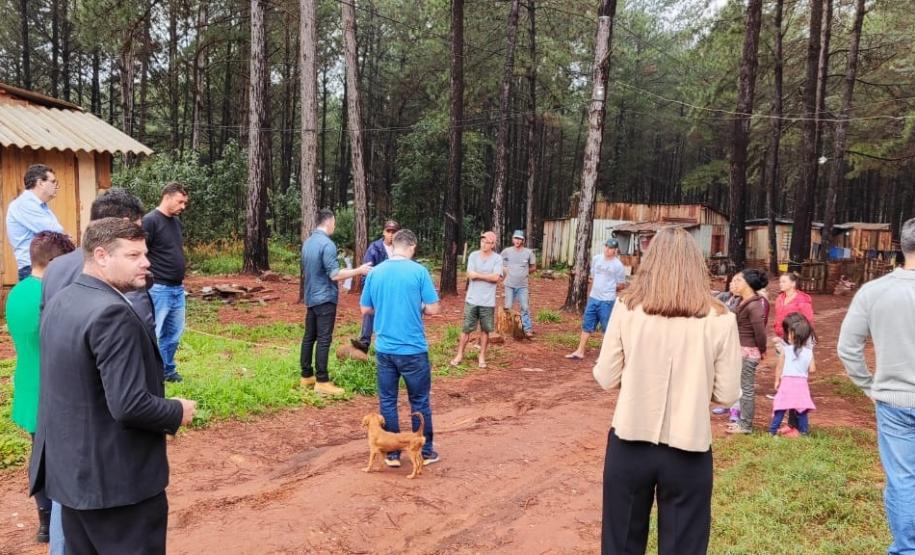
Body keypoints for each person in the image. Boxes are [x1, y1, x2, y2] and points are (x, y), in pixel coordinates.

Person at [29, 218, 197, 554]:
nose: (146, 262)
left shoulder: (61, 301)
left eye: (145, 253)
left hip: (71, 481)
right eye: (134, 255)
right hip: (117, 488)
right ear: (102, 255)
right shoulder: (112, 313)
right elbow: (129, 404)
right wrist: (177, 410)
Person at [593, 226, 741, 554]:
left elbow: (605, 376)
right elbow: (729, 393)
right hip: (689, 447)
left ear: (650, 260)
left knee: (620, 545)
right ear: (696, 264)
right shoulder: (721, 319)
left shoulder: (627, 309)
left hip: (630, 441)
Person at [838, 216, 915, 555]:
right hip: (895, 399)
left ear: (900, 246)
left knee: (902, 480)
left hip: (895, 401)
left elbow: (847, 347)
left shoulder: (874, 291)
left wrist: (869, 385)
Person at [6, 231, 74, 546]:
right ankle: (57, 523)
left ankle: (45, 522)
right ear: (55, 262)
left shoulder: (17, 292)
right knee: (58, 459)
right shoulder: (52, 295)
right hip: (52, 390)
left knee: (39, 455)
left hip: (29, 384)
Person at [360, 229, 441, 467]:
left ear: (393, 246)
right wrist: (420, 308)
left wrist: (384, 308)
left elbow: (365, 309)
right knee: (419, 401)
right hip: (413, 349)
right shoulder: (419, 271)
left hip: (385, 348)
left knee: (388, 401)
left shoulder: (376, 272)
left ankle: (392, 454)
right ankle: (424, 452)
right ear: (412, 247)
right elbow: (434, 308)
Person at [42, 188, 155, 333]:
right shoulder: (122, 271)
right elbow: (142, 327)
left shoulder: (54, 267)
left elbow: (45, 318)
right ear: (125, 224)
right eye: (138, 228)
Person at [300, 209, 372, 395]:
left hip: (311, 297)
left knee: (309, 337)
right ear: (329, 222)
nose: (335, 225)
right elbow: (335, 274)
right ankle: (322, 381)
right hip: (325, 298)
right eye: (335, 222)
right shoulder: (327, 244)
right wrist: (359, 270)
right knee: (324, 339)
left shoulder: (308, 243)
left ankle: (306, 376)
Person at [143, 182, 190, 382]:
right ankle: (150, 374)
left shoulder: (176, 223)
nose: (183, 207)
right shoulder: (150, 221)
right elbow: (141, 253)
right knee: (155, 333)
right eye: (180, 202)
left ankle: (167, 370)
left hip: (177, 289)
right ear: (167, 197)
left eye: (185, 203)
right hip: (158, 288)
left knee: (173, 335)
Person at [566, 238, 626, 360]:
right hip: (593, 298)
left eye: (611, 248)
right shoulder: (597, 259)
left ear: (615, 251)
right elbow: (593, 276)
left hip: (607, 300)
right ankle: (580, 351)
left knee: (606, 328)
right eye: (606, 247)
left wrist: (608, 288)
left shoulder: (618, 265)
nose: (608, 250)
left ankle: (604, 356)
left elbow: (621, 285)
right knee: (587, 324)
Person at [725, 268, 769, 434]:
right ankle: (743, 422)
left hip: (748, 352)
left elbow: (760, 332)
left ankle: (746, 425)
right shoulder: (743, 301)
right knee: (742, 388)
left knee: (746, 389)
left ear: (748, 285)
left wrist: (762, 349)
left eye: (739, 281)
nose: (735, 283)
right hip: (741, 350)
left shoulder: (754, 305)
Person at [450, 230, 503, 369]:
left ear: (493, 244)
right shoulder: (473, 255)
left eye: (487, 242)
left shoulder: (497, 259)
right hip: (472, 300)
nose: (484, 244)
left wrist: (479, 275)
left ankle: (482, 356)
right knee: (466, 329)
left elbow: (496, 278)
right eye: (482, 241)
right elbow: (470, 275)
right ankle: (459, 355)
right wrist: (487, 275)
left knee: (485, 331)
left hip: (487, 302)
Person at [5, 164, 65, 281]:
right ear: (40, 183)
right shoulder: (24, 204)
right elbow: (57, 234)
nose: (56, 186)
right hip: (33, 269)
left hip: (43, 267)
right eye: (53, 182)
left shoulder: (41, 206)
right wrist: (64, 237)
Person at [351, 219, 401, 353]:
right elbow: (366, 270)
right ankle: (364, 342)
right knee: (369, 312)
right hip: (378, 287)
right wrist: (367, 289)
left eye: (394, 232)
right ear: (384, 232)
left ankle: (393, 344)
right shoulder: (375, 248)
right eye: (388, 231)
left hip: (396, 289)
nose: (391, 234)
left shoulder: (402, 249)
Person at [769, 313, 817, 437]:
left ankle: (772, 432)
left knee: (780, 408)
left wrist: (776, 380)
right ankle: (804, 433)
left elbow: (779, 366)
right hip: (801, 384)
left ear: (793, 335)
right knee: (801, 410)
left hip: (786, 382)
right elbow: (812, 369)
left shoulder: (786, 350)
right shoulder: (809, 352)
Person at [501, 229, 537, 339]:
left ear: (523, 240)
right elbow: (500, 263)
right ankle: (507, 329)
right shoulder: (506, 251)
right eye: (516, 238)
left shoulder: (528, 252)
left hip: (522, 285)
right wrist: (505, 272)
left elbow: (534, 267)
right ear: (512, 239)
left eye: (520, 239)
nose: (517, 240)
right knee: (507, 307)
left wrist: (525, 272)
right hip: (509, 285)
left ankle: (527, 329)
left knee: (525, 307)